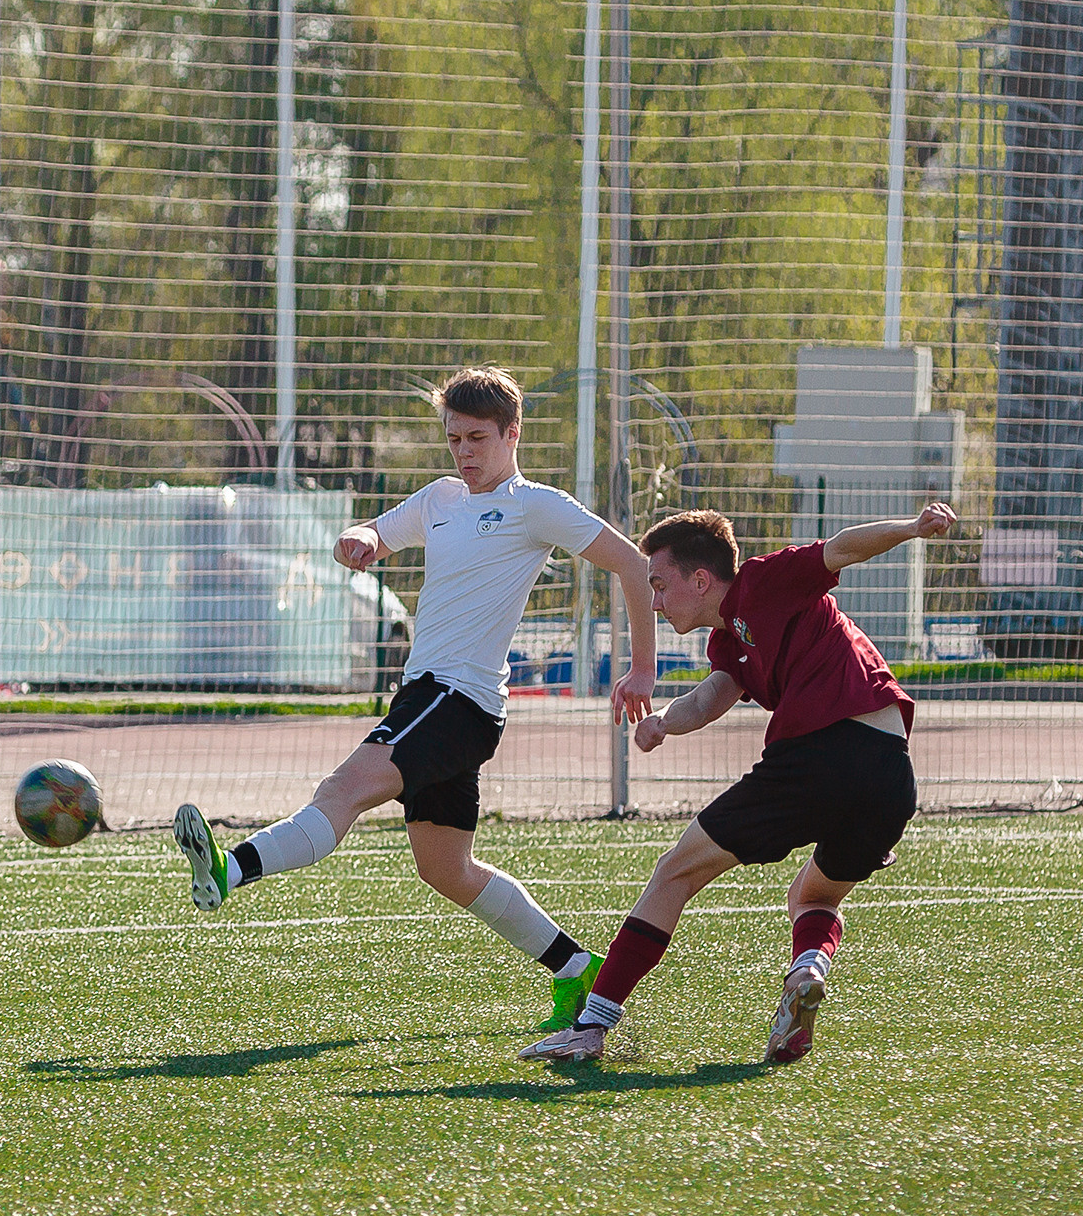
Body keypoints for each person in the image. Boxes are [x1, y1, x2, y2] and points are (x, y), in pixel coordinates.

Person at [172, 365, 659, 1032]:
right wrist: (361, 540)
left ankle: (230, 870)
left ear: (513, 433)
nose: (463, 452)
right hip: (440, 702)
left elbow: (632, 563)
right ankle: (578, 968)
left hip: (454, 699)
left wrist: (641, 669)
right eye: (454, 438)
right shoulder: (441, 498)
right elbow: (381, 530)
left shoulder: (534, 505)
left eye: (477, 438)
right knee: (446, 870)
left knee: (342, 788)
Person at [521, 500, 957, 1065]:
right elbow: (710, 697)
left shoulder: (763, 580)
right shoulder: (730, 639)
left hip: (817, 759)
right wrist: (660, 724)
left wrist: (911, 526)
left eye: (658, 584)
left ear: (701, 579)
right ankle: (807, 970)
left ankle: (592, 1023)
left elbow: (843, 546)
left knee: (674, 872)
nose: (653, 600)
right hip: (890, 777)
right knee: (813, 896)